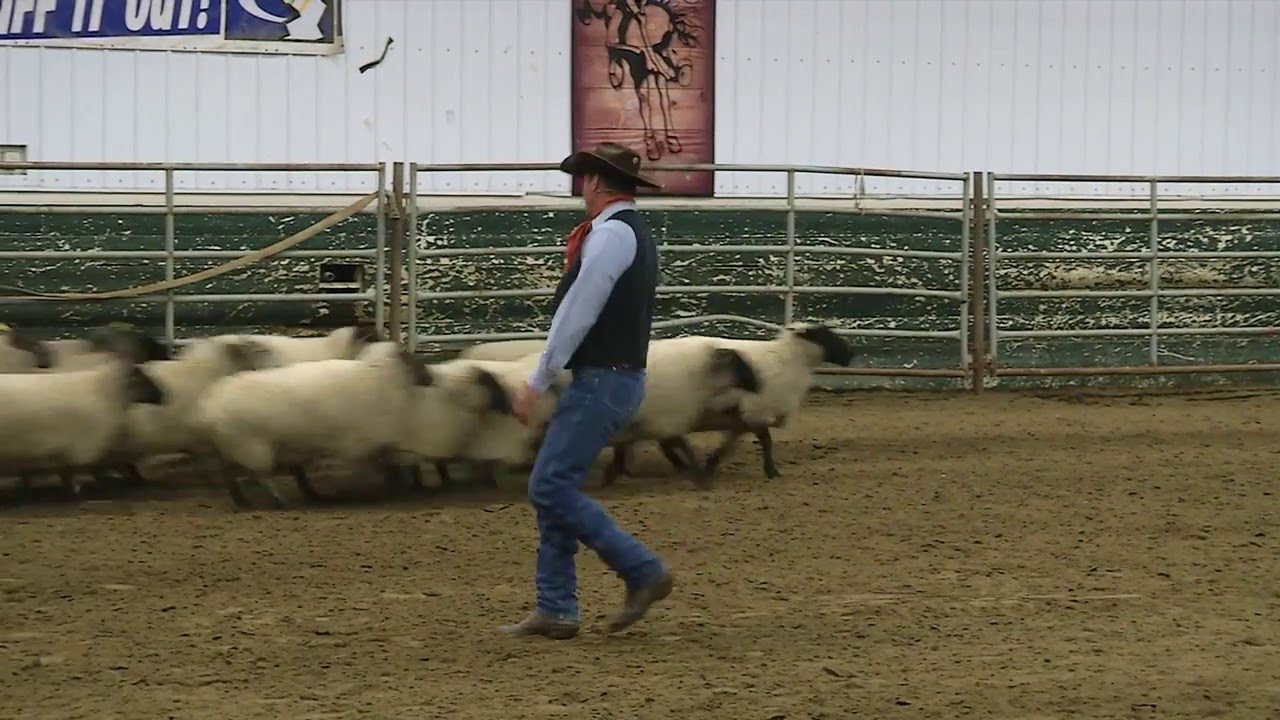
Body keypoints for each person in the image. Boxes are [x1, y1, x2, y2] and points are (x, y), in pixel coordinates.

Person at [499, 142, 674, 640]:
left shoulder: (612, 236)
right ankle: (555, 607)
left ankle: (640, 569)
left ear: (596, 182)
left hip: (603, 378)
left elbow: (577, 312)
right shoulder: (626, 232)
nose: (581, 188)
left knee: (548, 485)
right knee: (554, 483)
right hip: (610, 378)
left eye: (583, 179)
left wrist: (538, 379)